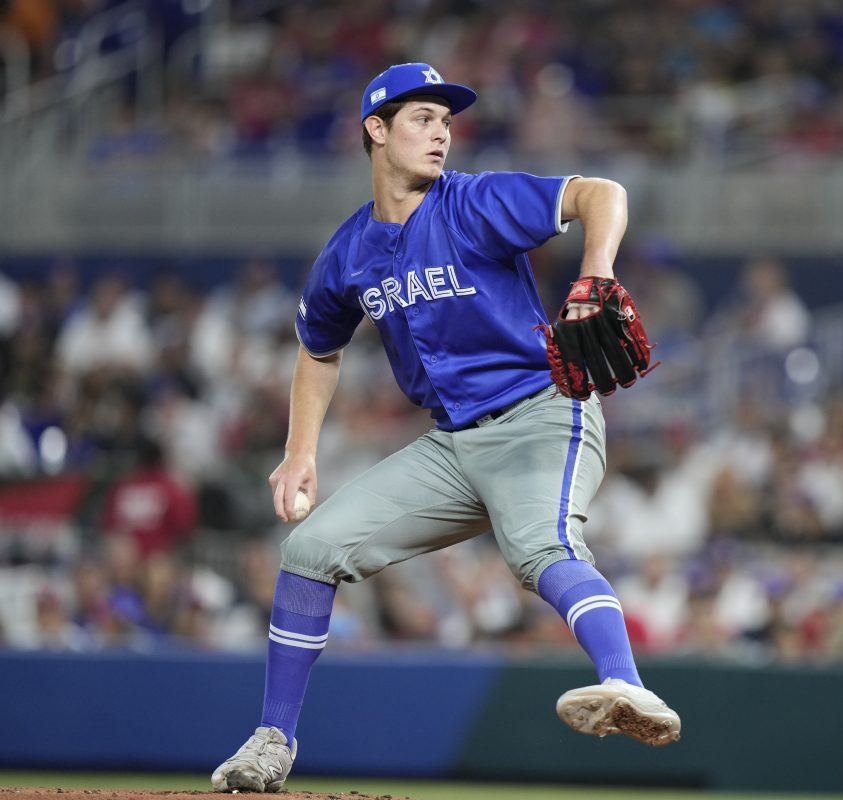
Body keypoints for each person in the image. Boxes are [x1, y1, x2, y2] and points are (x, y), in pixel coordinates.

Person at [210, 63, 681, 794]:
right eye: (421, 118)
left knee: (540, 548)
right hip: (452, 445)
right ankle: (272, 740)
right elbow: (318, 347)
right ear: (376, 130)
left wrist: (595, 273)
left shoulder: (474, 201)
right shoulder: (349, 250)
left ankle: (628, 686)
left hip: (542, 412)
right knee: (309, 548)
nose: (441, 132)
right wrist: (300, 452)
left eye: (446, 120)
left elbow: (601, 193)